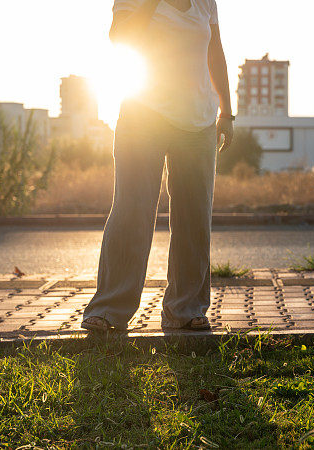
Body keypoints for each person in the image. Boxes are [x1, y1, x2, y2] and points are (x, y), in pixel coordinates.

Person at [81, 0, 234, 332]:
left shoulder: (206, 1)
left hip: (199, 121)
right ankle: (109, 310)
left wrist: (227, 112)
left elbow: (215, 53)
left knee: (194, 216)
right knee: (131, 210)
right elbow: (121, 38)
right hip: (143, 114)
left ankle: (186, 308)